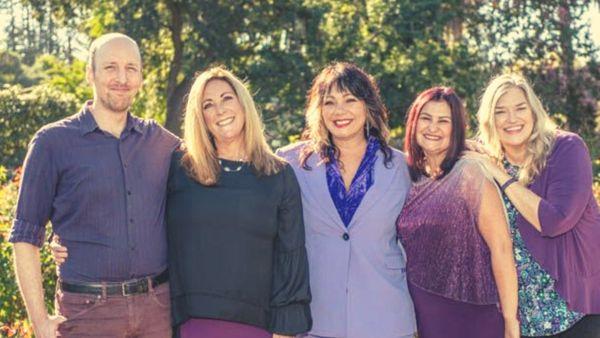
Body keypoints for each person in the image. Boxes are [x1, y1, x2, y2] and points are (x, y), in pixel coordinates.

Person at [10, 33, 179, 338]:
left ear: (141, 77)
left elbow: (208, 162)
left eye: (131, 68)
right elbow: (24, 236)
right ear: (91, 73)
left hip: (157, 311)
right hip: (87, 314)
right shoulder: (53, 142)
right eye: (111, 67)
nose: (122, 78)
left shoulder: (159, 141)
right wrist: (40, 323)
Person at [166, 66, 311, 338]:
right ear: (201, 118)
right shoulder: (180, 169)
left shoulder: (278, 175)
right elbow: (138, 212)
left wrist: (285, 331)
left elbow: (290, 255)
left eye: (226, 98)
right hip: (193, 323)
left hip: (257, 326)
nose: (220, 110)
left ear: (243, 104)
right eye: (208, 104)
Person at [278, 62, 416, 338]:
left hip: (387, 317)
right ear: (319, 111)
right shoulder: (291, 163)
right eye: (329, 102)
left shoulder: (404, 168)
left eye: (350, 100)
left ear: (368, 106)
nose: (340, 111)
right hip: (317, 318)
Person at [466, 73, 600, 337]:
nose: (512, 119)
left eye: (519, 108)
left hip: (576, 311)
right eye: (500, 112)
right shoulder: (486, 161)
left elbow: (555, 221)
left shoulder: (566, 149)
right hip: (523, 320)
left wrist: (501, 176)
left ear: (534, 111)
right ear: (489, 121)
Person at [396, 86, 519, 338]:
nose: (433, 128)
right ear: (414, 123)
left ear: (456, 129)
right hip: (424, 312)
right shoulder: (408, 177)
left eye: (444, 121)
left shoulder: (469, 172)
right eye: (426, 118)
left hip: (473, 313)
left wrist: (510, 320)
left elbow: (501, 247)